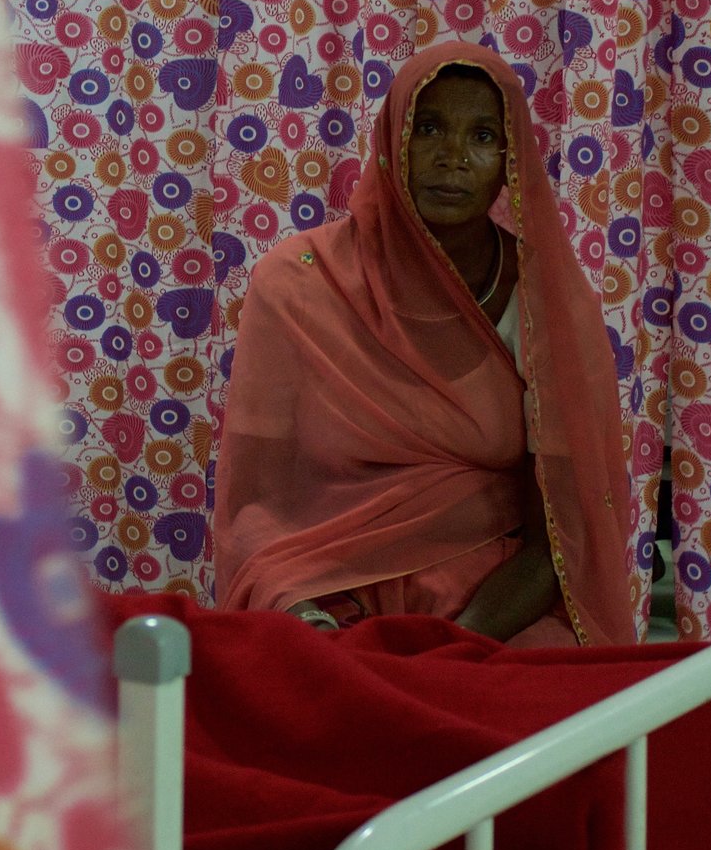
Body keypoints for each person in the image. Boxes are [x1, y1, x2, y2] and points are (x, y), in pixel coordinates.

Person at [211, 42, 639, 646]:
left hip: (494, 596)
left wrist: (457, 644)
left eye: (484, 136)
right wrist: (306, 616)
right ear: (393, 141)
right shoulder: (301, 279)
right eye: (429, 127)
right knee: (305, 688)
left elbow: (564, 535)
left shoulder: (550, 305)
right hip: (323, 588)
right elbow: (256, 505)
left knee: (545, 712)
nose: (453, 157)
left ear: (512, 159)